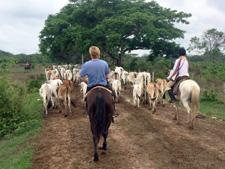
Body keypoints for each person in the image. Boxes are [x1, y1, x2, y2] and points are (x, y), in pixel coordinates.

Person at [78, 46, 119, 117]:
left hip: (91, 86)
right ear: (98, 53)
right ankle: (113, 111)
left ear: (90, 54)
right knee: (113, 95)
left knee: (86, 97)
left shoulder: (86, 64)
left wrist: (86, 81)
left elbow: (80, 76)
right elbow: (108, 76)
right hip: (104, 85)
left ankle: (87, 110)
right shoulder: (104, 63)